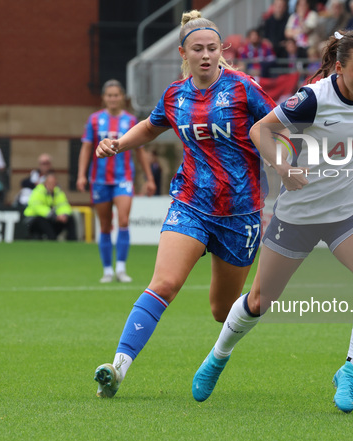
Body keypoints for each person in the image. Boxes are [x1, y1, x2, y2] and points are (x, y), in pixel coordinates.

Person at [191, 29, 353, 414]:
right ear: (339, 67)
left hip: (348, 211)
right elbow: (260, 130)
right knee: (259, 300)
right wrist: (282, 167)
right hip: (298, 216)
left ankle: (351, 370)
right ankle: (218, 356)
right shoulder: (313, 98)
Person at [92, 10, 277, 398]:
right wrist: (118, 144)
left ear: (221, 50)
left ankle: (219, 355)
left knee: (222, 310)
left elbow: (281, 123)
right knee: (164, 283)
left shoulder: (244, 88)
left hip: (240, 215)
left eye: (213, 48)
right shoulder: (175, 95)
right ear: (184, 53)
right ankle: (118, 367)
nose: (207, 55)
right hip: (190, 203)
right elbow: (151, 125)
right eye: (198, 49)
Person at [77, 79, 156, 283]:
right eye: (109, 95)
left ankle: (121, 268)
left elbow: (140, 150)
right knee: (104, 225)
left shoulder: (130, 121)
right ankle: (107, 270)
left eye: (116, 95)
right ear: (104, 98)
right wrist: (81, 175)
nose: (113, 98)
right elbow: (86, 148)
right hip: (100, 180)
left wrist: (149, 178)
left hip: (123, 178)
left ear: (122, 98)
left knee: (122, 220)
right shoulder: (94, 120)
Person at [23, 172, 77, 241]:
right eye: (50, 182)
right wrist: (54, 216)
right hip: (34, 220)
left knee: (70, 219)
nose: (52, 185)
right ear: (45, 182)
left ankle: (73, 242)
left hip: (52, 219)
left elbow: (64, 205)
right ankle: (51, 239)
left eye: (54, 183)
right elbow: (37, 207)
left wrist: (63, 215)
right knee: (41, 220)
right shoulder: (38, 191)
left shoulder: (58, 192)